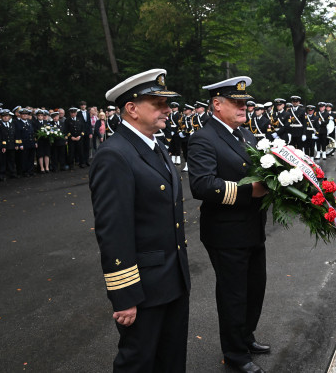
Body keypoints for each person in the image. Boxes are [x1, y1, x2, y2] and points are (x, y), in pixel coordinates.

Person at [89, 68, 190, 372]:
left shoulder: (154, 145)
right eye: (157, 103)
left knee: (171, 360)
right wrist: (124, 295)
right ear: (131, 109)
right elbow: (114, 231)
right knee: (139, 362)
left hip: (172, 280)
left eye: (167, 103)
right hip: (144, 289)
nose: (167, 109)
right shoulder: (115, 155)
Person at [187, 76, 270, 373]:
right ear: (217, 104)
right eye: (236, 103)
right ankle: (235, 354)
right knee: (234, 294)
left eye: (245, 103)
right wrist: (250, 191)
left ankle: (245, 337)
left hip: (252, 227)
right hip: (225, 231)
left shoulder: (245, 135)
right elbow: (202, 185)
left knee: (254, 288)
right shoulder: (203, 139)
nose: (243, 107)